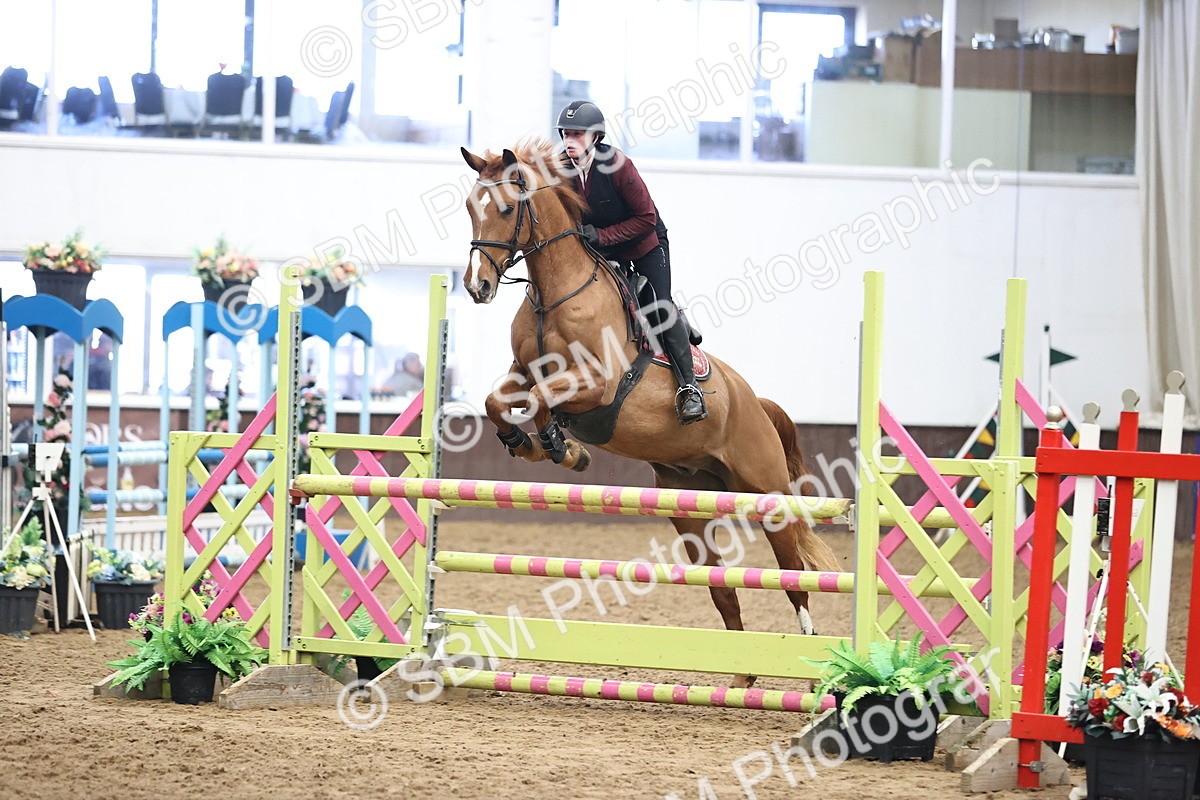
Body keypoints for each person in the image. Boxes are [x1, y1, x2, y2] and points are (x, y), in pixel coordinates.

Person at [555, 99, 707, 425]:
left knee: (658, 307)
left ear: (595, 137)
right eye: (566, 134)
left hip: (645, 244)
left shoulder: (618, 165)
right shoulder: (561, 169)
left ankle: (689, 389)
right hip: (600, 249)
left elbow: (646, 218)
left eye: (577, 134)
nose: (570, 141)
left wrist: (602, 236)